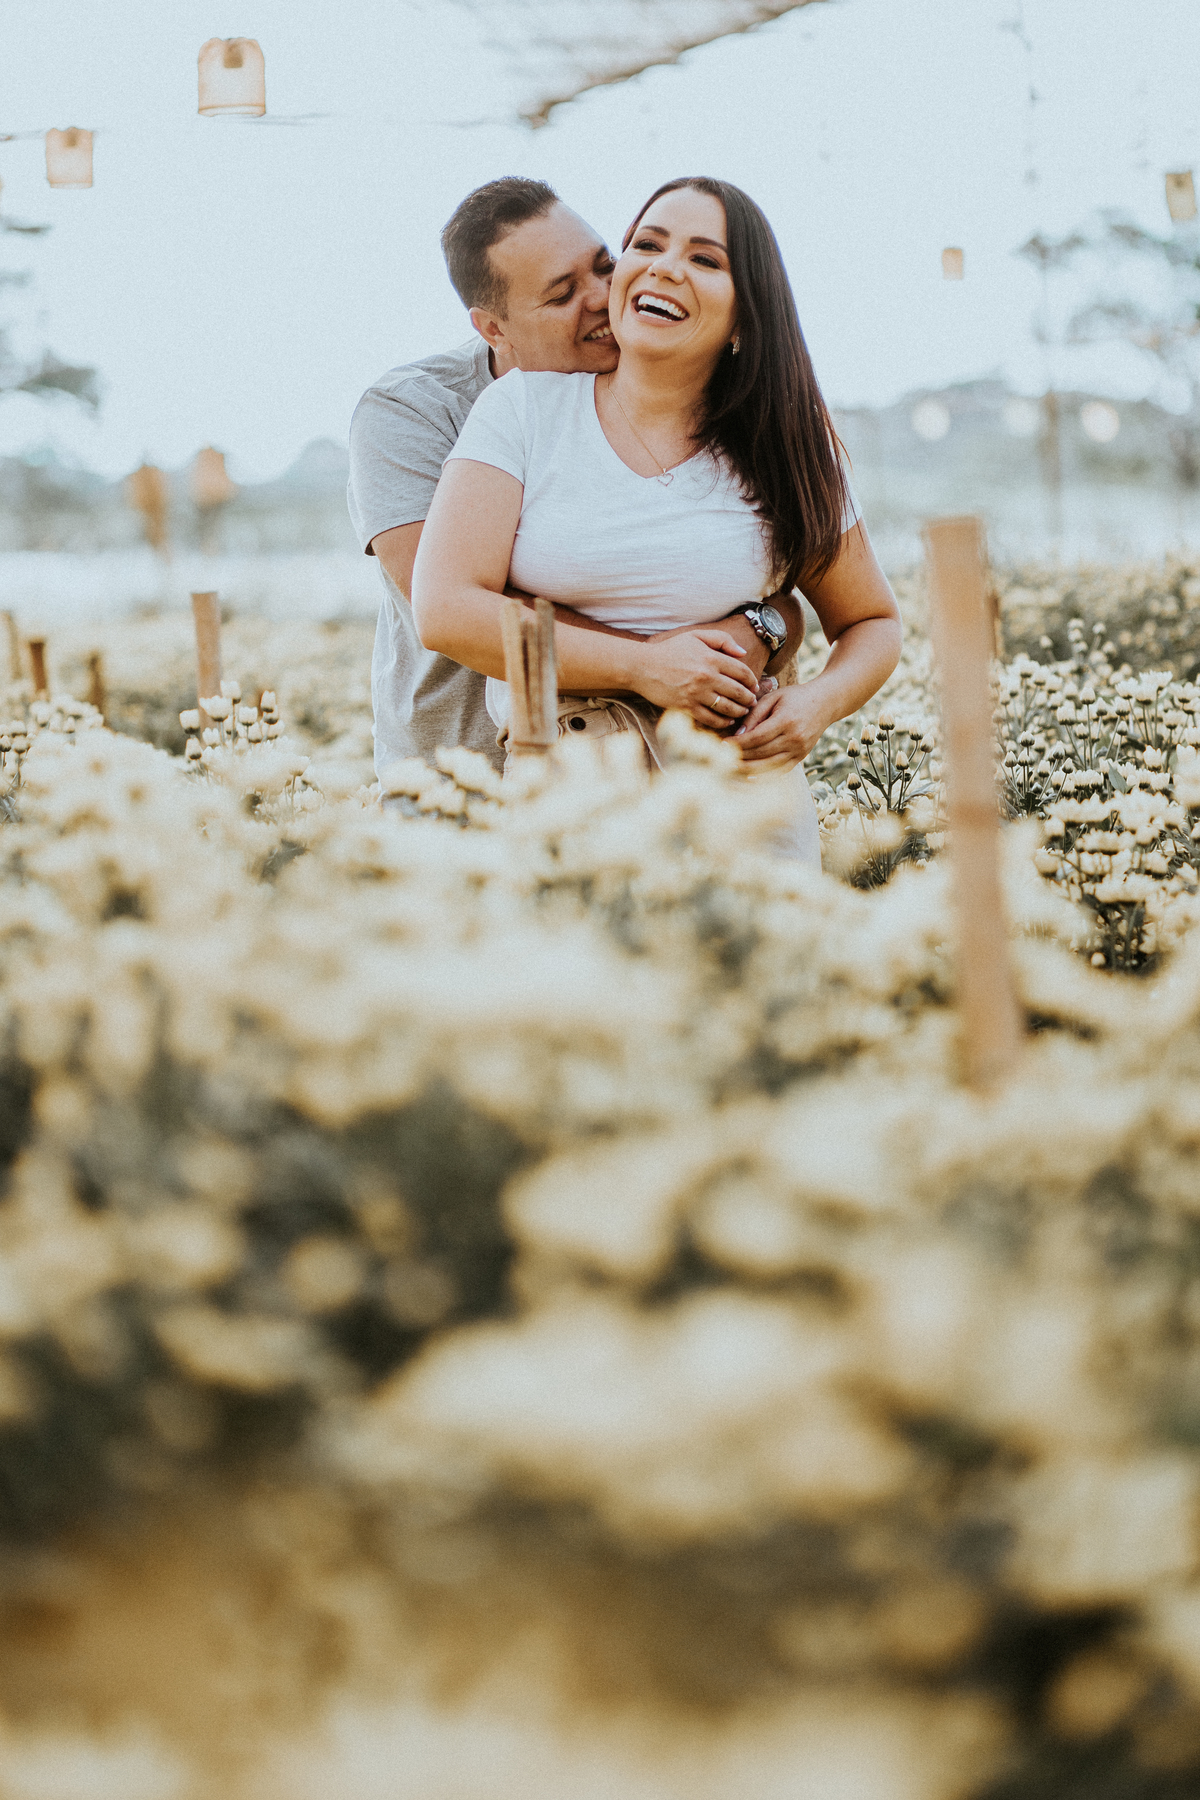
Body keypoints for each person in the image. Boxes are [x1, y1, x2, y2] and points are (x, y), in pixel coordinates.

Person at [411, 176, 902, 863]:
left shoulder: (787, 443)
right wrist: (643, 667)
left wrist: (815, 705)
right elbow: (446, 610)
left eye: (705, 258)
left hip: (741, 802)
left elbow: (871, 621)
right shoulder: (522, 411)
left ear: (746, 315)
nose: (665, 266)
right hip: (568, 796)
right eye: (647, 244)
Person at [348, 177, 806, 777]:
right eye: (562, 294)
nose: (602, 296)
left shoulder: (675, 396)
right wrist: (665, 662)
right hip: (462, 774)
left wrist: (765, 625)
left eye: (604, 266)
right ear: (494, 329)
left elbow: (769, 584)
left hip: (659, 775)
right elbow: (459, 605)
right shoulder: (413, 412)